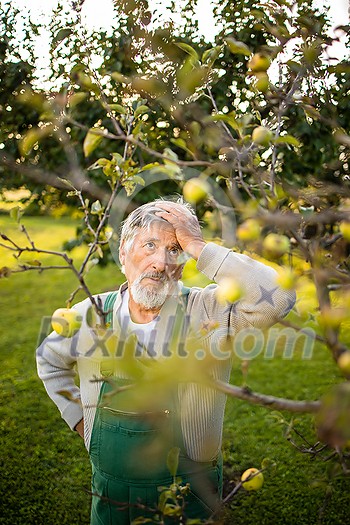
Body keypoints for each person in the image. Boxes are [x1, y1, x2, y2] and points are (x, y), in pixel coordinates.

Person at [36, 198, 296, 524]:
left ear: (186, 262)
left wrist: (200, 246)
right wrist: (79, 420)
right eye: (149, 245)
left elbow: (280, 296)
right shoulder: (89, 316)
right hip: (111, 501)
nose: (160, 263)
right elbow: (49, 362)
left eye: (175, 250)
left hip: (193, 496)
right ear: (123, 254)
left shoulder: (209, 311)